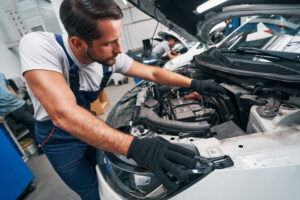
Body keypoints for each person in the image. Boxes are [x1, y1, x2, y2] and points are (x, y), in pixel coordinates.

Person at [19, 0, 226, 199]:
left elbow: (153, 74)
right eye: (109, 43)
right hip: (60, 140)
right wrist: (137, 147)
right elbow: (63, 113)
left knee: (108, 172)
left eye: (117, 38)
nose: (119, 49)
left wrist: (193, 84)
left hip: (88, 122)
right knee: (92, 191)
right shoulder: (40, 46)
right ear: (78, 43)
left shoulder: (111, 57)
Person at [0, 72, 39, 149]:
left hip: (19, 102)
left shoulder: (1, 74)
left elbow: (8, 86)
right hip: (10, 108)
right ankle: (41, 145)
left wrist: (15, 94)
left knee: (34, 124)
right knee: (33, 123)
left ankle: (40, 145)